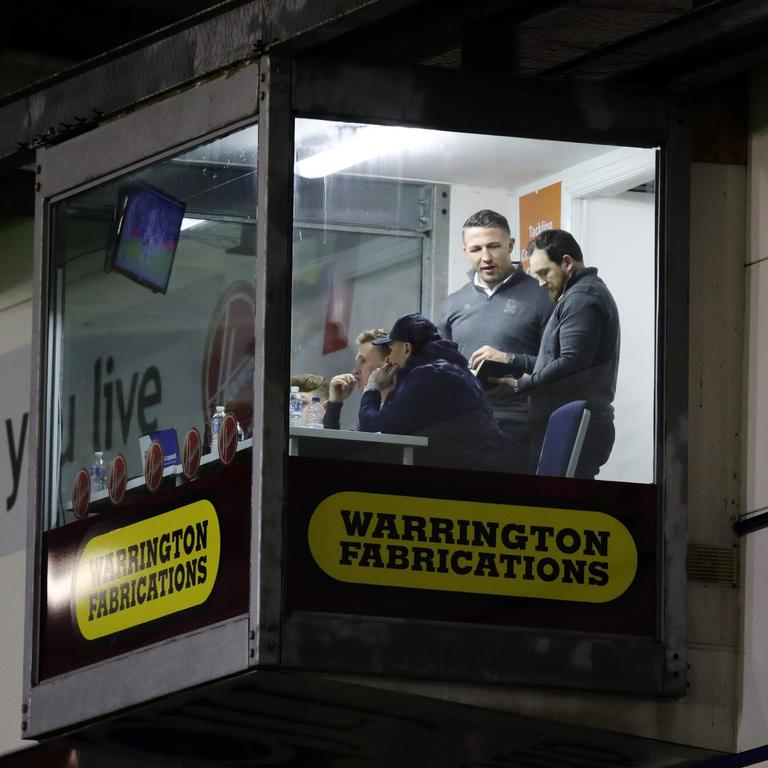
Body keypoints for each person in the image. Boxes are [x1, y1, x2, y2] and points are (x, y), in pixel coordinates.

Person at [499, 229, 620, 479]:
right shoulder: (577, 295)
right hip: (565, 427)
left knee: (564, 509)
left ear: (566, 262)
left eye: (544, 273)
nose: (541, 282)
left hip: (572, 428)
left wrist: (518, 386)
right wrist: (510, 360)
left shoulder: (582, 298)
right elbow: (555, 361)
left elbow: (571, 365)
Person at [437, 209, 553, 472]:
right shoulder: (453, 304)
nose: (486, 257)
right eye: (476, 249)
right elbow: (438, 368)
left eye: (494, 246)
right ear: (465, 251)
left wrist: (508, 362)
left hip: (517, 427)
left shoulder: (543, 296)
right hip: (458, 426)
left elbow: (559, 366)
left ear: (511, 246)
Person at [358, 313, 505, 471]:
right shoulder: (454, 370)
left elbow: (376, 427)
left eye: (392, 350)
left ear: (406, 348)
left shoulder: (429, 375)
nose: (389, 359)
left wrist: (373, 387)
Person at [322, 329, 393, 429]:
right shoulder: (376, 409)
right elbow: (334, 445)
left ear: (388, 366)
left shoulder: (397, 409)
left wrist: (372, 387)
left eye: (363, 361)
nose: (355, 371)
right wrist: (334, 404)